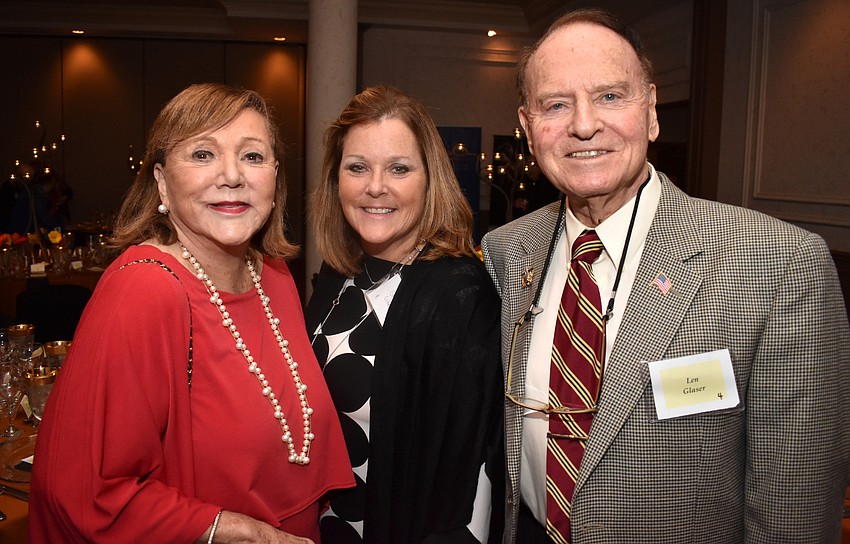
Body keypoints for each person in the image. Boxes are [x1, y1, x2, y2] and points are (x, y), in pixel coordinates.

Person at [481, 8, 850, 544]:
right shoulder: (506, 251)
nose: (584, 124)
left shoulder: (779, 265)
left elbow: (794, 505)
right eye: (556, 105)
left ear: (651, 112)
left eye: (610, 96)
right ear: (527, 127)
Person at [30, 83, 354, 543]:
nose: (231, 176)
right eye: (203, 154)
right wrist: (245, 532)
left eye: (253, 156)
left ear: (275, 177)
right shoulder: (143, 290)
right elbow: (88, 490)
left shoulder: (275, 276)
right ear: (161, 181)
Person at [306, 85, 504, 544]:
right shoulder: (338, 272)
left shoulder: (458, 294)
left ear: (429, 179)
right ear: (337, 180)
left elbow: (470, 471)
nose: (376, 187)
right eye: (357, 168)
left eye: (399, 168)